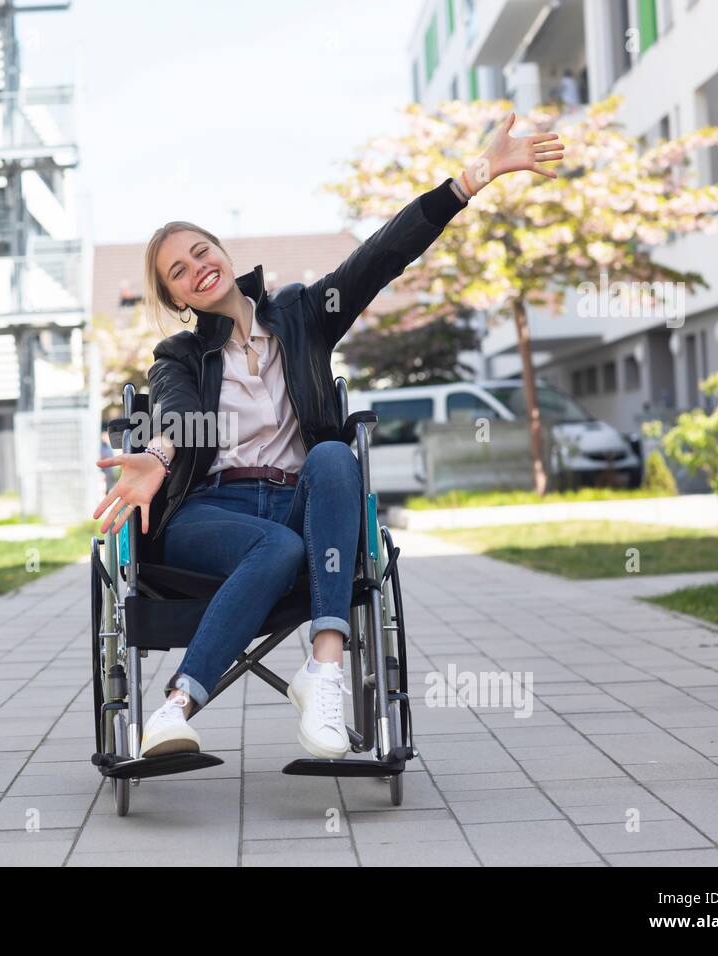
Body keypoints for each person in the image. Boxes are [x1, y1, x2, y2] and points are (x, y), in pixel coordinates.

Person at [93, 113, 563, 759]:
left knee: (335, 457)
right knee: (278, 550)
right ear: (177, 298)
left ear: (223, 254)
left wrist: (472, 178)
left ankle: (325, 669)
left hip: (300, 502)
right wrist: (155, 454)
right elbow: (174, 414)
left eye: (201, 251)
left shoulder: (303, 315)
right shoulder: (178, 355)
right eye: (178, 270)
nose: (196, 267)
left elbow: (383, 255)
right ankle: (176, 708)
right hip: (210, 515)